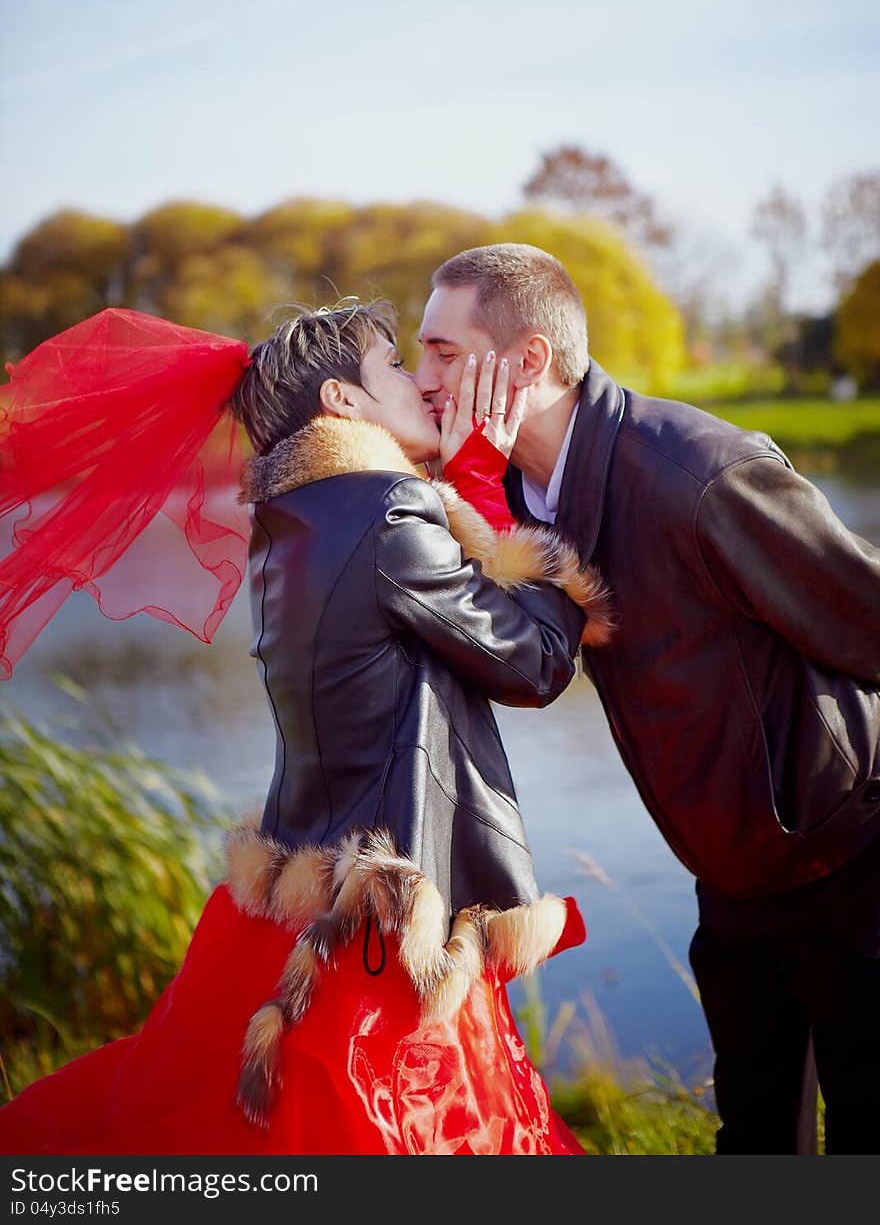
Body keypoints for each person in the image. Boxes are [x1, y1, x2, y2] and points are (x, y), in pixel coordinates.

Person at [0, 299, 614, 1156]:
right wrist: (484, 489)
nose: (419, 384)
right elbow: (536, 662)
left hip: (317, 880)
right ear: (344, 403)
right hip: (383, 925)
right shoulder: (387, 514)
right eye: (394, 367)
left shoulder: (301, 517)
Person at [414, 242, 880, 1156]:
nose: (424, 371)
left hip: (852, 867)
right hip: (734, 883)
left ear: (528, 362)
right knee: (753, 1142)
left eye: (440, 349)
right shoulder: (510, 494)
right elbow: (529, 672)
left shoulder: (698, 475)